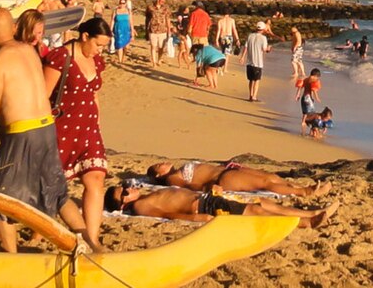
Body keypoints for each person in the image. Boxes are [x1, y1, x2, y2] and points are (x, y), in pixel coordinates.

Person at [0, 9, 88, 253]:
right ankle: (92, 245)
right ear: (14, 28)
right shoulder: (29, 51)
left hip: (23, 133)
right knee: (57, 193)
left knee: (1, 199)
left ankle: (12, 259)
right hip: (46, 128)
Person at [46, 16, 112, 253]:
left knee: (95, 179)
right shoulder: (60, 58)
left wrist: (98, 123)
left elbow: (94, 94)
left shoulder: (96, 61)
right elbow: (44, 95)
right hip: (62, 127)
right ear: (85, 36)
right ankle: (38, 228)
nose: (100, 50)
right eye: (98, 44)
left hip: (89, 127)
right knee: (55, 185)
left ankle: (92, 240)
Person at [105, 184, 336, 228]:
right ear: (123, 203)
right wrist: (197, 219)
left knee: (260, 202)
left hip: (207, 199)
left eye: (125, 186)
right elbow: (168, 214)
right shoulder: (140, 207)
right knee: (255, 211)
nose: (129, 189)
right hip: (205, 208)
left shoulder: (144, 197)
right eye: (124, 192)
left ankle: (312, 213)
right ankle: (304, 223)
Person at [147, 159, 330, 197]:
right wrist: (209, 188)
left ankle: (307, 187)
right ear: (158, 174)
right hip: (224, 179)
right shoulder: (172, 179)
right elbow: (190, 187)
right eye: (158, 165)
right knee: (265, 183)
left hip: (226, 171)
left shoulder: (178, 168)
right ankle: (304, 192)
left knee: (272, 176)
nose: (162, 162)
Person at [242, 22, 271, 102]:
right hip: (258, 62)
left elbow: (245, 47)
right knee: (257, 80)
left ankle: (250, 95)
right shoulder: (263, 38)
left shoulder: (250, 36)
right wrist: (269, 49)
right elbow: (265, 49)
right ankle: (254, 96)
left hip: (249, 61)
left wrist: (242, 57)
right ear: (263, 29)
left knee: (251, 80)